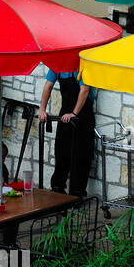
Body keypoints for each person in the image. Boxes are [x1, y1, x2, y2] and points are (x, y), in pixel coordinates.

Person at [39, 68, 96, 197]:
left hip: (83, 116)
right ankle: (57, 188)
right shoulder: (57, 66)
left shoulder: (82, 67)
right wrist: (42, 110)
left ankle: (77, 192)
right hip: (65, 114)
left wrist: (74, 113)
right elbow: (48, 86)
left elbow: (85, 90)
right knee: (61, 151)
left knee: (81, 156)